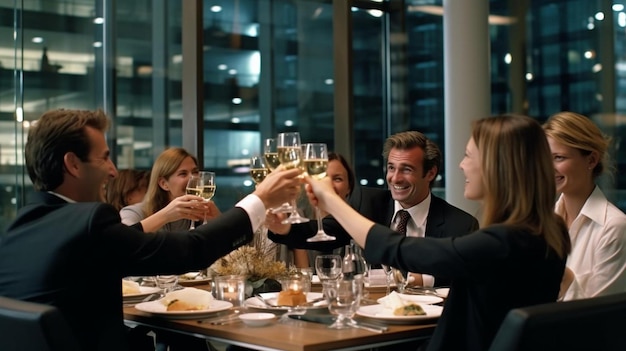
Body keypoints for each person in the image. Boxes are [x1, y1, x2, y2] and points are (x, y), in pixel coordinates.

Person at [0, 109, 302, 351]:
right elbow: (192, 250)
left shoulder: (17, 228)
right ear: (73, 164)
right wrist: (259, 200)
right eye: (105, 157)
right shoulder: (89, 222)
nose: (113, 171)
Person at [304, 114, 571, 351]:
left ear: (496, 166)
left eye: (468, 156)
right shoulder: (549, 231)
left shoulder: (503, 242)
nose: (461, 166)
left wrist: (333, 202)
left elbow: (400, 249)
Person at [268, 131, 479, 288]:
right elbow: (325, 233)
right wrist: (284, 229)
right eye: (391, 168)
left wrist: (414, 279)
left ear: (430, 173)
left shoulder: (459, 223)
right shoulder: (368, 201)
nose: (395, 178)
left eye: (406, 169)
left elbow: (463, 276)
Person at [543, 111, 626, 300]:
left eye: (559, 158)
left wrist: (562, 275)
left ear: (591, 160)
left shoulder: (614, 228)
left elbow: (601, 317)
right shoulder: (543, 221)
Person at [120, 147, 216, 232]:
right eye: (183, 174)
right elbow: (123, 241)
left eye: (195, 172)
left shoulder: (199, 216)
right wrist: (166, 215)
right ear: (164, 184)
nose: (193, 179)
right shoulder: (135, 212)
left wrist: (219, 220)